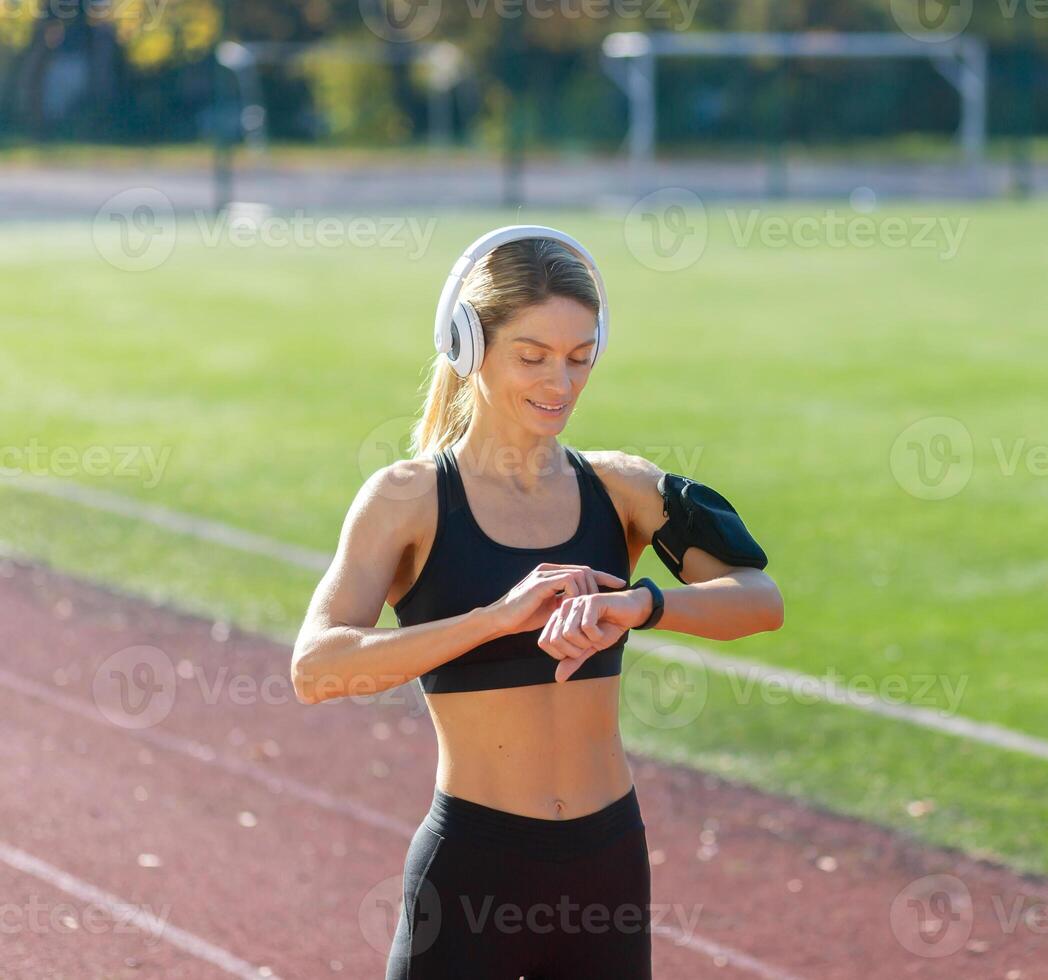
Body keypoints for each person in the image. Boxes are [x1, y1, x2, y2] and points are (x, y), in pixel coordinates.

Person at [290, 228, 784, 979]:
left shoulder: (622, 487)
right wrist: (496, 617)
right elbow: (316, 669)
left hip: (606, 866)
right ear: (466, 344)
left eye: (580, 358)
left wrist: (641, 606)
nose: (561, 383)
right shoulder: (406, 499)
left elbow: (760, 599)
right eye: (533, 356)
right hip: (473, 869)